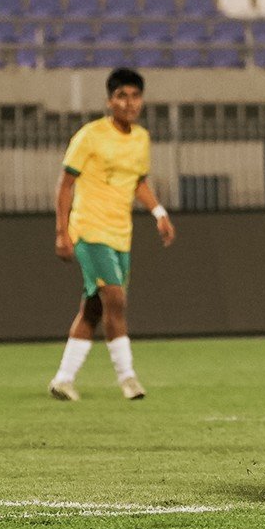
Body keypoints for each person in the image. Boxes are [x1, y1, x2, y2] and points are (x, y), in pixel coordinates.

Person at [49, 67, 176, 401]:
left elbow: (138, 182)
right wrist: (62, 232)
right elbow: (65, 184)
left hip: (121, 234)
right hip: (90, 230)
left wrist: (159, 212)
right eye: (122, 96)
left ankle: (63, 379)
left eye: (134, 96)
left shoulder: (140, 139)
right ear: (109, 101)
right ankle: (128, 377)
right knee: (116, 299)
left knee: (94, 308)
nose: (129, 102)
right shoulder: (90, 136)